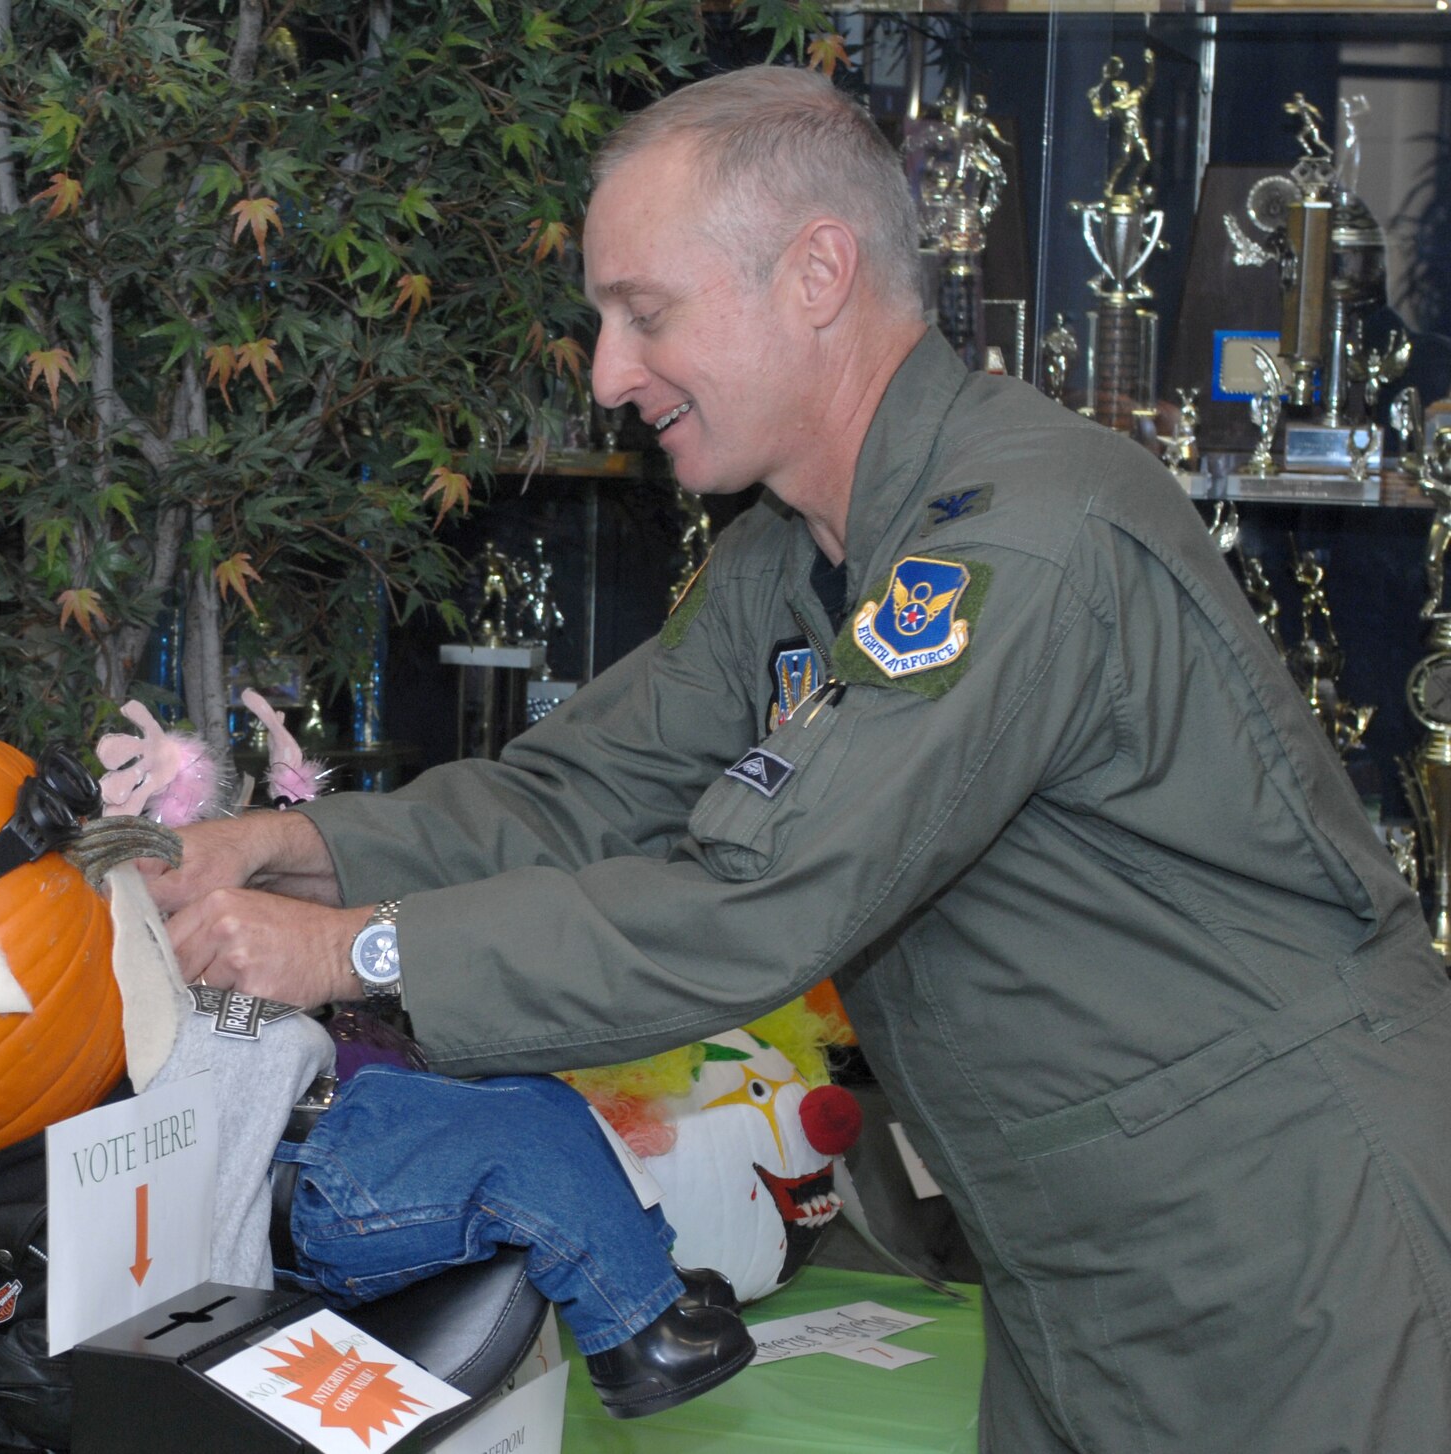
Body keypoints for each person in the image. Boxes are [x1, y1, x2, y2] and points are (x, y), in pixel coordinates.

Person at [143, 64, 1451, 1454]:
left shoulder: (1020, 538)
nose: (608, 373)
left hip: (1301, 1241)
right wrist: (297, 848)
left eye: (647, 314)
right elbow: (581, 789)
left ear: (818, 272)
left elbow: (749, 895)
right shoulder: (797, 555)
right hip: (1085, 1269)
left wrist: (352, 951)